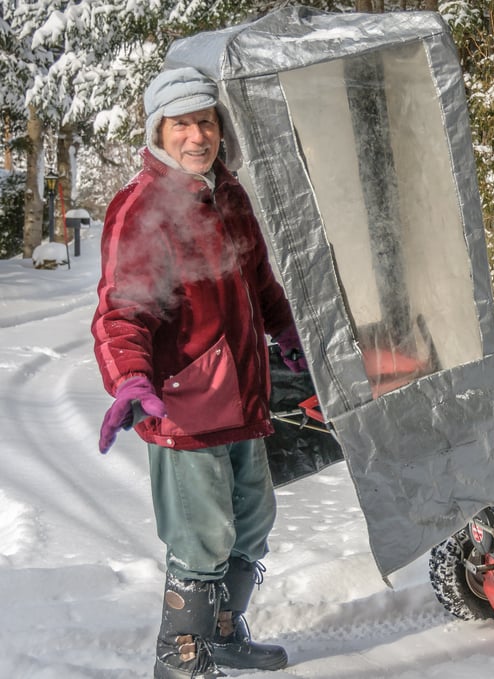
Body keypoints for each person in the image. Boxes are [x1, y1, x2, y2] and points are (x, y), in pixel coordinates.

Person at [92, 67, 307, 679]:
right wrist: (130, 379)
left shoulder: (228, 194)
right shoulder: (141, 207)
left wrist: (284, 331)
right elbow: (120, 309)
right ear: (160, 130)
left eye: (206, 122)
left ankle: (221, 634)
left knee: (252, 525)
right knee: (201, 536)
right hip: (183, 404)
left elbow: (258, 279)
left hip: (242, 396)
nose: (197, 136)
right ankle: (179, 657)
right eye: (182, 123)